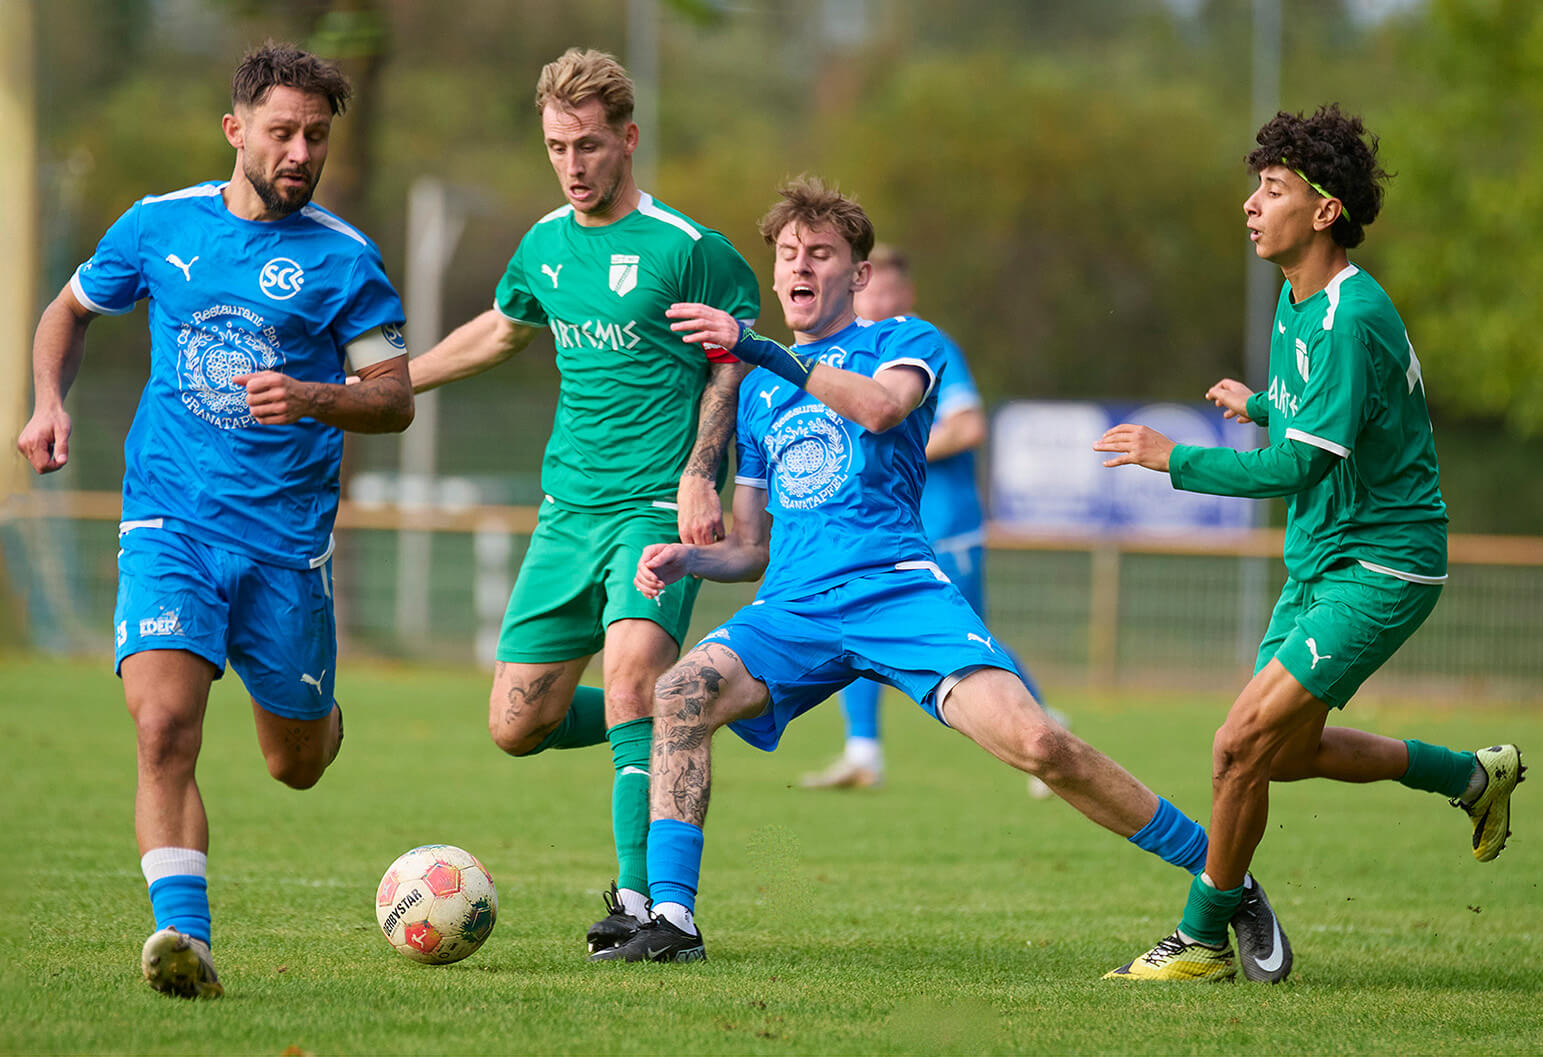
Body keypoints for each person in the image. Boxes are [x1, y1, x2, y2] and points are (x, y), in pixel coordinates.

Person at [591, 177, 1281, 970]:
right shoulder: (756, 393)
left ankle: (1223, 878)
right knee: (680, 692)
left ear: (856, 275)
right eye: (789, 254)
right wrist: (691, 557)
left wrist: (757, 349)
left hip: (897, 589)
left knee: (1041, 744)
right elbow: (751, 546)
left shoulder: (902, 341)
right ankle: (673, 917)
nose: (801, 266)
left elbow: (881, 410)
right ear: (775, 271)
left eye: (822, 253)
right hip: (795, 607)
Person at [15, 43, 414, 998]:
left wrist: (315, 396)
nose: (300, 152)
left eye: (316, 136)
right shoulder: (158, 227)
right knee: (162, 728)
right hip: (170, 521)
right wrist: (47, 402)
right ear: (236, 130)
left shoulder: (344, 258)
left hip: (283, 545)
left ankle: (318, 716)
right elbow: (67, 312)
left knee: (296, 765)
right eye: (282, 132)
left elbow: (394, 396)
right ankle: (183, 940)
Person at [1094, 105, 1524, 983]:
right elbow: (1319, 420)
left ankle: (1203, 937)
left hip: (1383, 562)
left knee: (1235, 743)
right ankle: (1473, 777)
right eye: (1256, 185)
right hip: (1320, 559)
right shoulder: (1299, 303)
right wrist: (1258, 404)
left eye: (1275, 188)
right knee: (1277, 754)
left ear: (1325, 210)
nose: (1253, 203)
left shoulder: (1353, 314)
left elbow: (1295, 467)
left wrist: (1172, 457)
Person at [404, 47, 761, 956]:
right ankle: (684, 715)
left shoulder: (688, 249)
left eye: (590, 145)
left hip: (652, 505)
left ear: (628, 139)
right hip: (566, 513)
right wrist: (392, 383)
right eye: (558, 145)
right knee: (515, 723)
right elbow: (499, 329)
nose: (572, 164)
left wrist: (698, 473)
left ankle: (643, 904)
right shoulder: (543, 245)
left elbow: (730, 365)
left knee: (635, 672)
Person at [797, 245, 1060, 794]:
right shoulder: (854, 356)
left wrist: (897, 446)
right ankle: (863, 751)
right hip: (889, 529)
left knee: (968, 640)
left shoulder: (924, 343)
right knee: (856, 620)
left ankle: (1046, 730)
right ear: (855, 287)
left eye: (894, 293)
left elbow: (968, 427)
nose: (883, 303)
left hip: (945, 523)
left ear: (908, 295)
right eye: (873, 292)